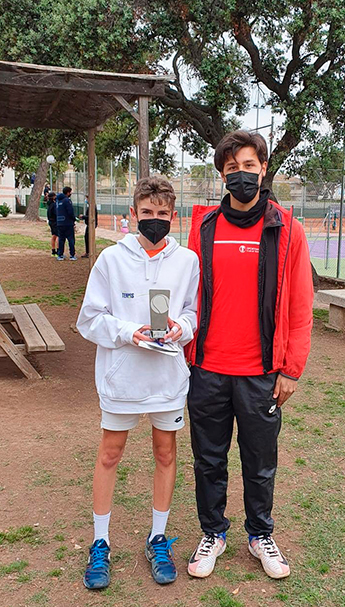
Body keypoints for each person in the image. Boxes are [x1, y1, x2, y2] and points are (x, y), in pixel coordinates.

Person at [185, 130, 313, 581]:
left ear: (263, 169)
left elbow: (300, 305)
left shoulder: (286, 229)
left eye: (250, 165)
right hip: (207, 370)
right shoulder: (202, 227)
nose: (242, 174)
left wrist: (291, 369)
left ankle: (260, 534)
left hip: (261, 373)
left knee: (260, 462)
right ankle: (213, 532)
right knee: (208, 459)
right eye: (232, 167)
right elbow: (187, 296)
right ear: (222, 174)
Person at [76, 176, 199, 589]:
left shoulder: (187, 262)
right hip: (122, 378)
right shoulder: (110, 260)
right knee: (110, 454)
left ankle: (158, 537)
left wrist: (178, 328)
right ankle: (100, 542)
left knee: (165, 453)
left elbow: (190, 313)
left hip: (166, 378)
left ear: (174, 217)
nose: (154, 220)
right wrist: (131, 332)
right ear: (132, 215)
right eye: (147, 213)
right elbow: (89, 319)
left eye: (162, 214)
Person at [56, 186, 77, 261]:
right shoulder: (67, 201)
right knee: (71, 239)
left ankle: (60, 255)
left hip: (59, 223)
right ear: (68, 193)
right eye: (70, 192)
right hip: (68, 223)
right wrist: (74, 219)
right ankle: (72, 255)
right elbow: (70, 212)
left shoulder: (58, 201)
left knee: (61, 239)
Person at [46, 192, 58, 256]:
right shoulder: (54, 205)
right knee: (57, 235)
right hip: (54, 221)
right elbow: (56, 213)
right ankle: (58, 250)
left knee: (54, 235)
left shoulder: (49, 204)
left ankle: (53, 250)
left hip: (51, 221)